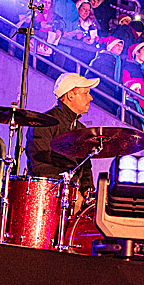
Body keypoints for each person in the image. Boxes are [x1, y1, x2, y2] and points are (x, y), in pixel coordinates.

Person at [25, 73, 100, 205]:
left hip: (74, 194)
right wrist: (71, 188)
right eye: (86, 93)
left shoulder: (81, 130)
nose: (91, 98)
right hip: (48, 195)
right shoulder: (43, 123)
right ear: (70, 95)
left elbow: (86, 168)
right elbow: (39, 167)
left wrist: (88, 193)